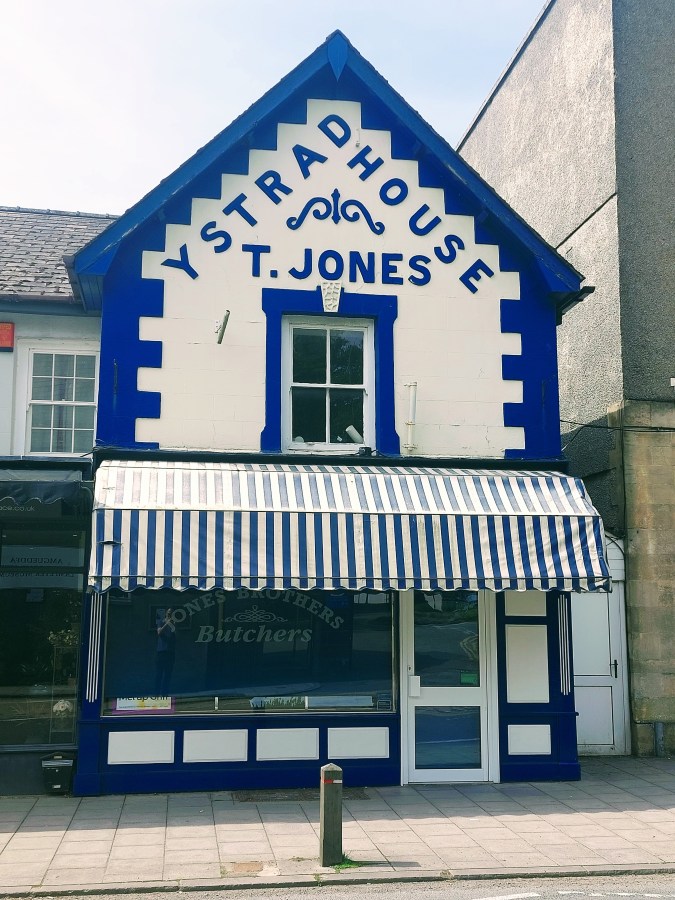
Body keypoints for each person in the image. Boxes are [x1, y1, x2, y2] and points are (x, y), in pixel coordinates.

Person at [155, 608, 176, 696]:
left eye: (171, 613)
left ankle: (165, 694)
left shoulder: (173, 624)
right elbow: (159, 632)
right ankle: (156, 694)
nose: (169, 615)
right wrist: (167, 624)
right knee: (159, 673)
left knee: (168, 674)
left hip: (170, 651)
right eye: (168, 613)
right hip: (161, 651)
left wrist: (173, 625)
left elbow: (176, 636)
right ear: (166, 614)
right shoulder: (161, 622)